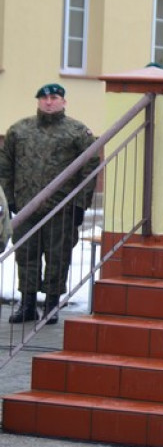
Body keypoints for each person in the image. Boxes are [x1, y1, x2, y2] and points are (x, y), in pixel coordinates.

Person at [0, 84, 98, 324]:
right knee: (26, 255)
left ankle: (52, 306)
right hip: (25, 206)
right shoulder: (19, 130)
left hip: (61, 208)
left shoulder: (77, 132)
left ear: (63, 102)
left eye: (54, 97)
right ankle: (28, 304)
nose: (49, 102)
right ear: (38, 102)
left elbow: (90, 169)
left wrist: (79, 205)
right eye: (44, 98)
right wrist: (9, 200)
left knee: (58, 257)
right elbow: (5, 166)